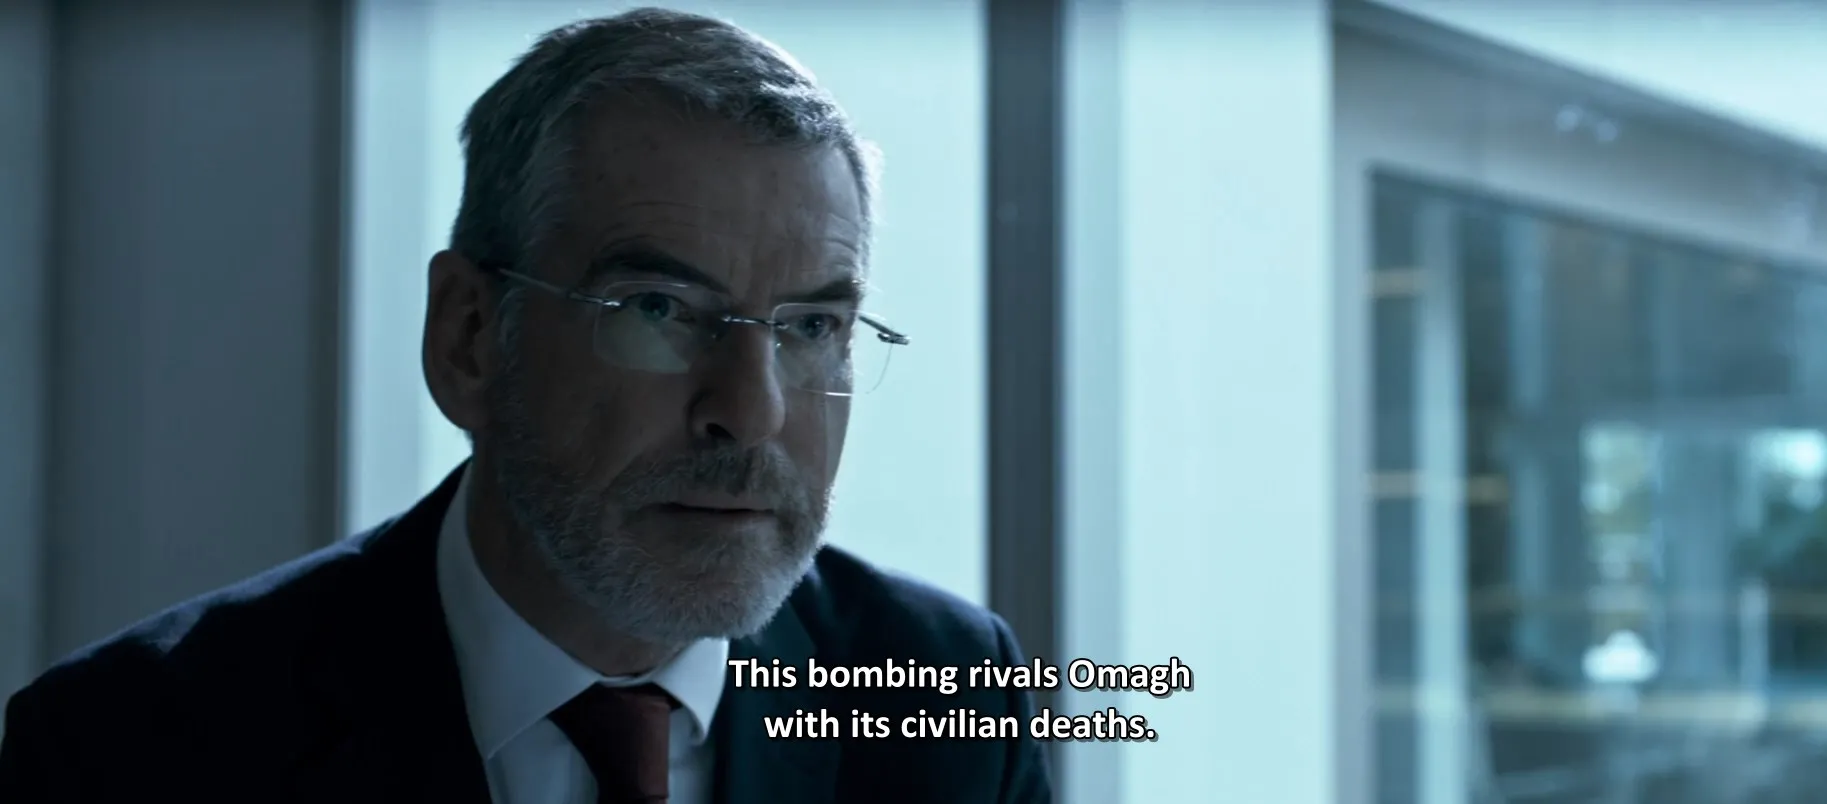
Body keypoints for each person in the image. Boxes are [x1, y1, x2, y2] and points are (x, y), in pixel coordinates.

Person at [0, 8, 1050, 803]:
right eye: (658, 309)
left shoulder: (948, 693)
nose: (753, 412)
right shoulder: (132, 746)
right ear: (468, 338)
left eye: (810, 325)